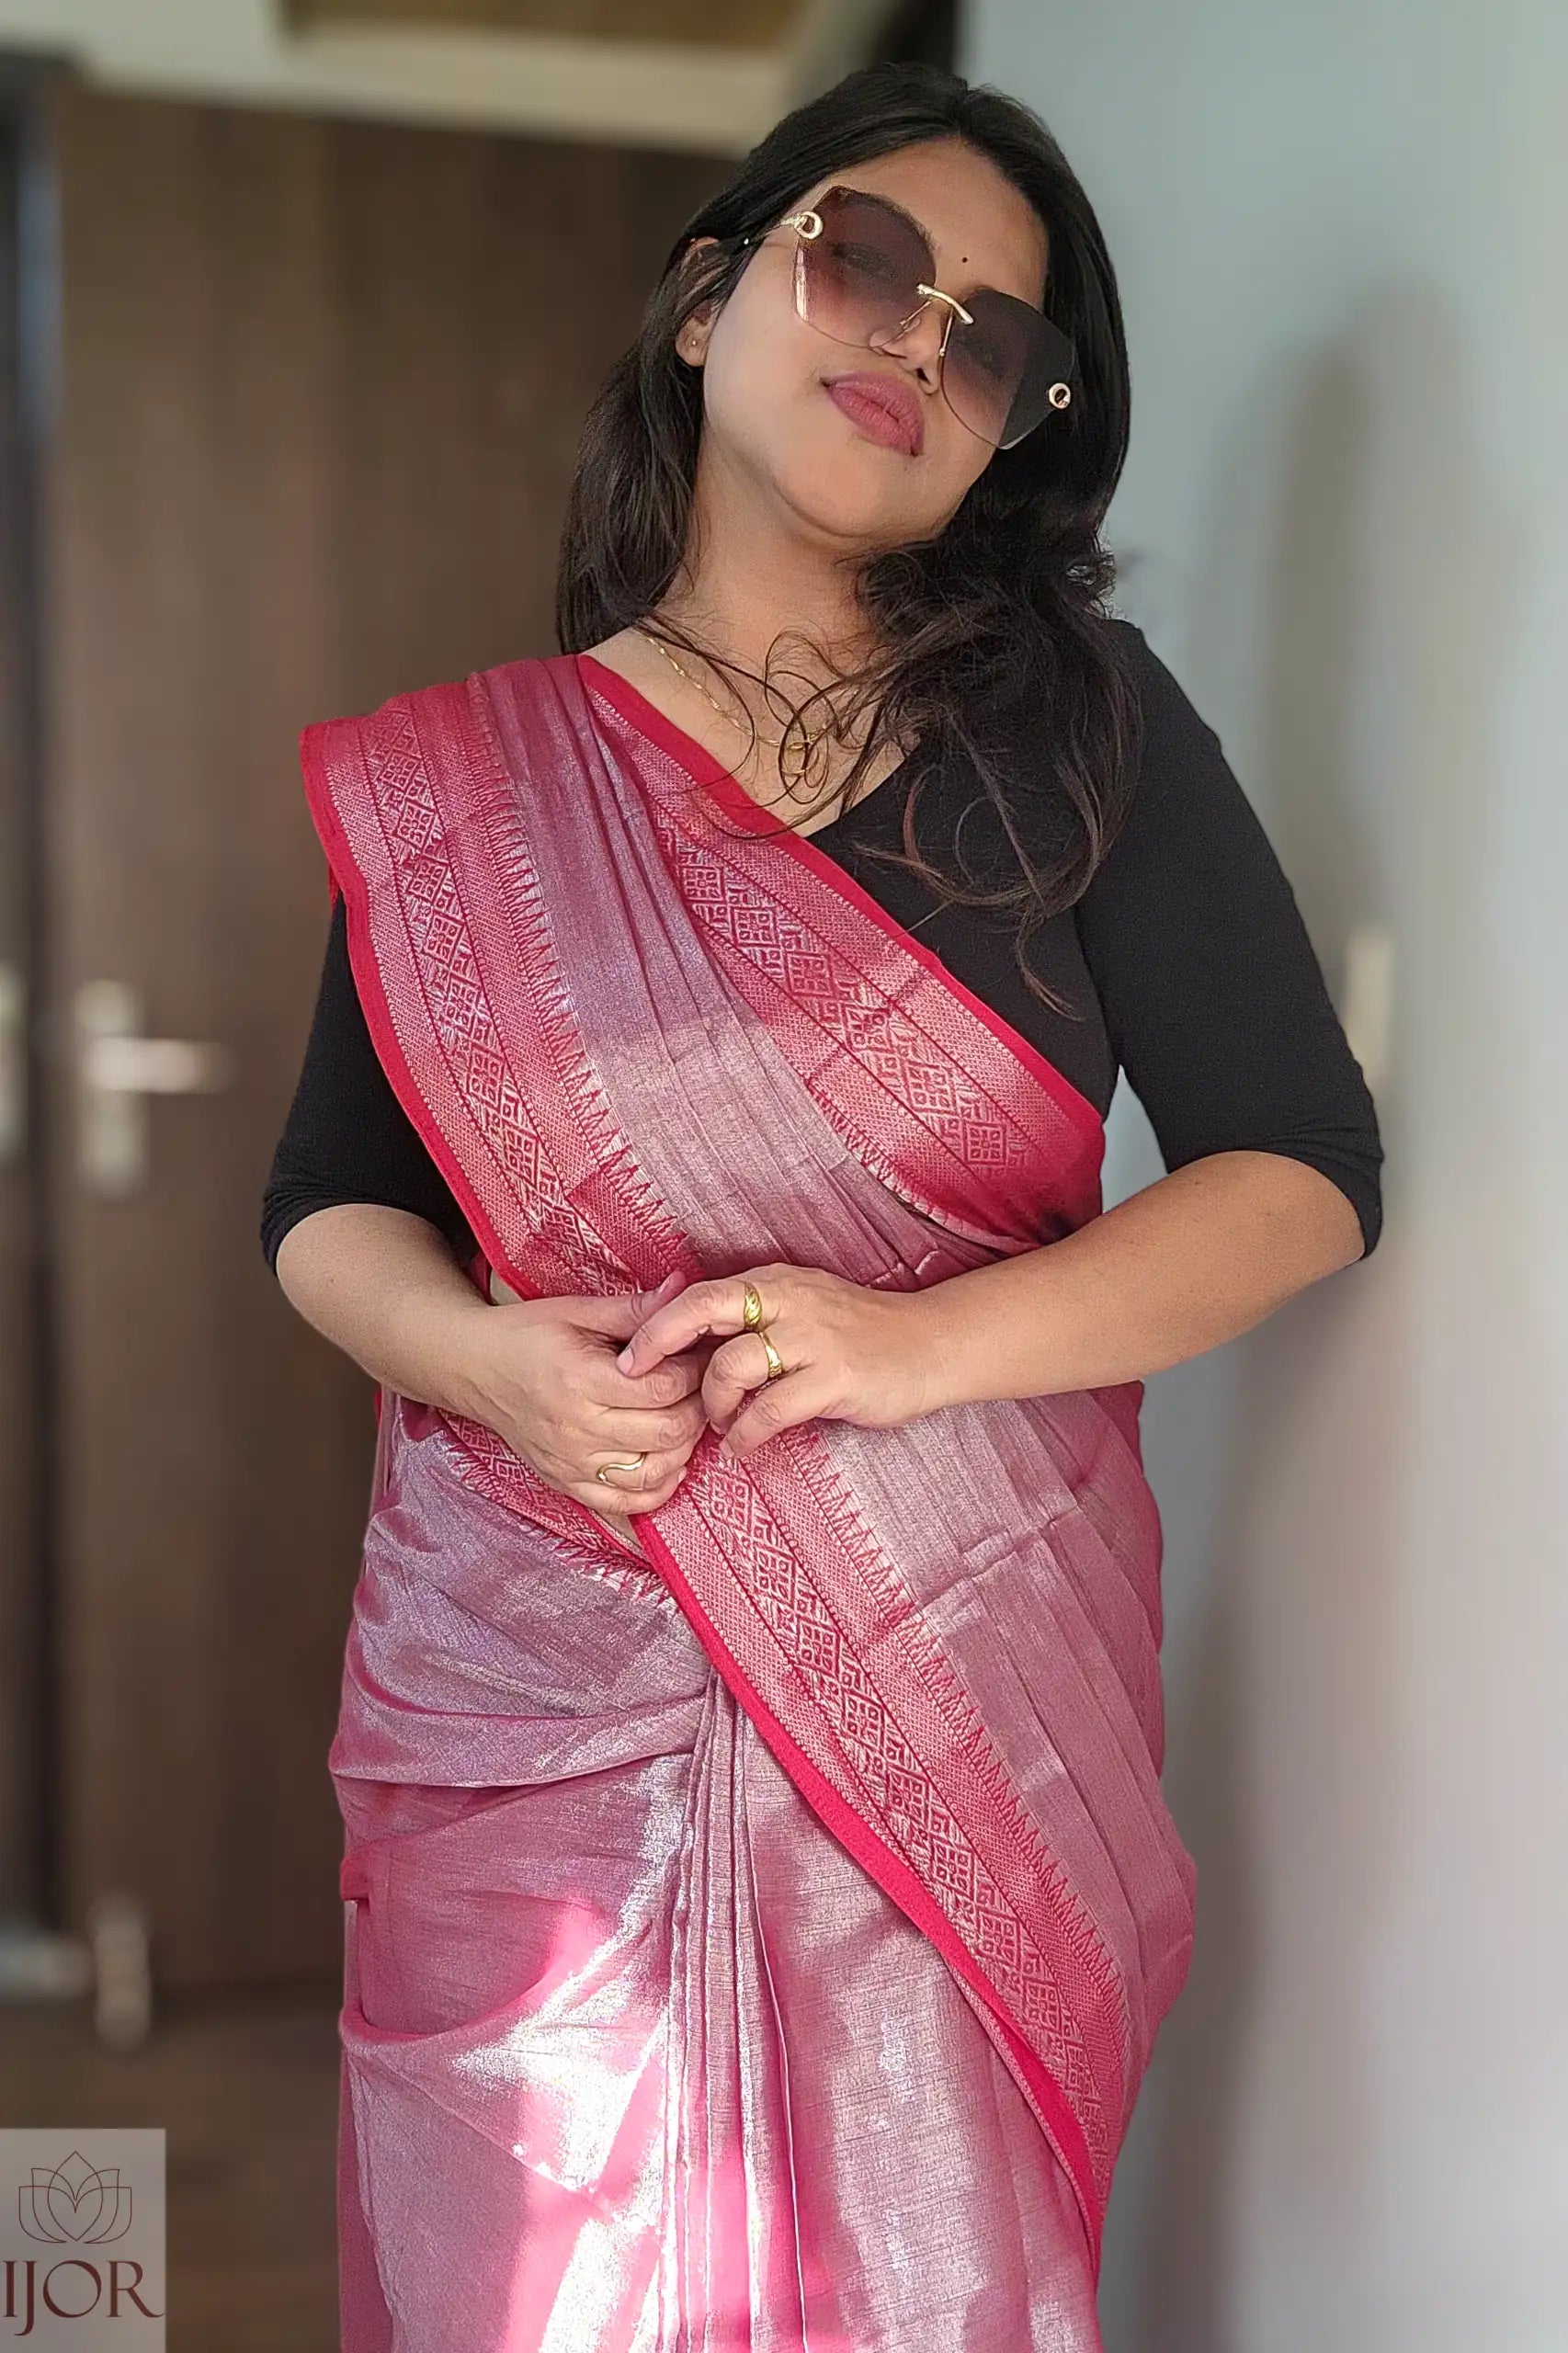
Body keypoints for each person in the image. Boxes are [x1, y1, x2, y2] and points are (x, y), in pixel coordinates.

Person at [263, 60, 1381, 2353]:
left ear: (1014, 429)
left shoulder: (1081, 728)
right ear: (709, 299)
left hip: (954, 1706)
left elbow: (1300, 1173)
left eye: (993, 338)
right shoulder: (474, 787)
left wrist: (907, 1344)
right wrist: (487, 1360)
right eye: (863, 260)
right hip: (534, 1712)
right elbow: (326, 1202)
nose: (915, 339)